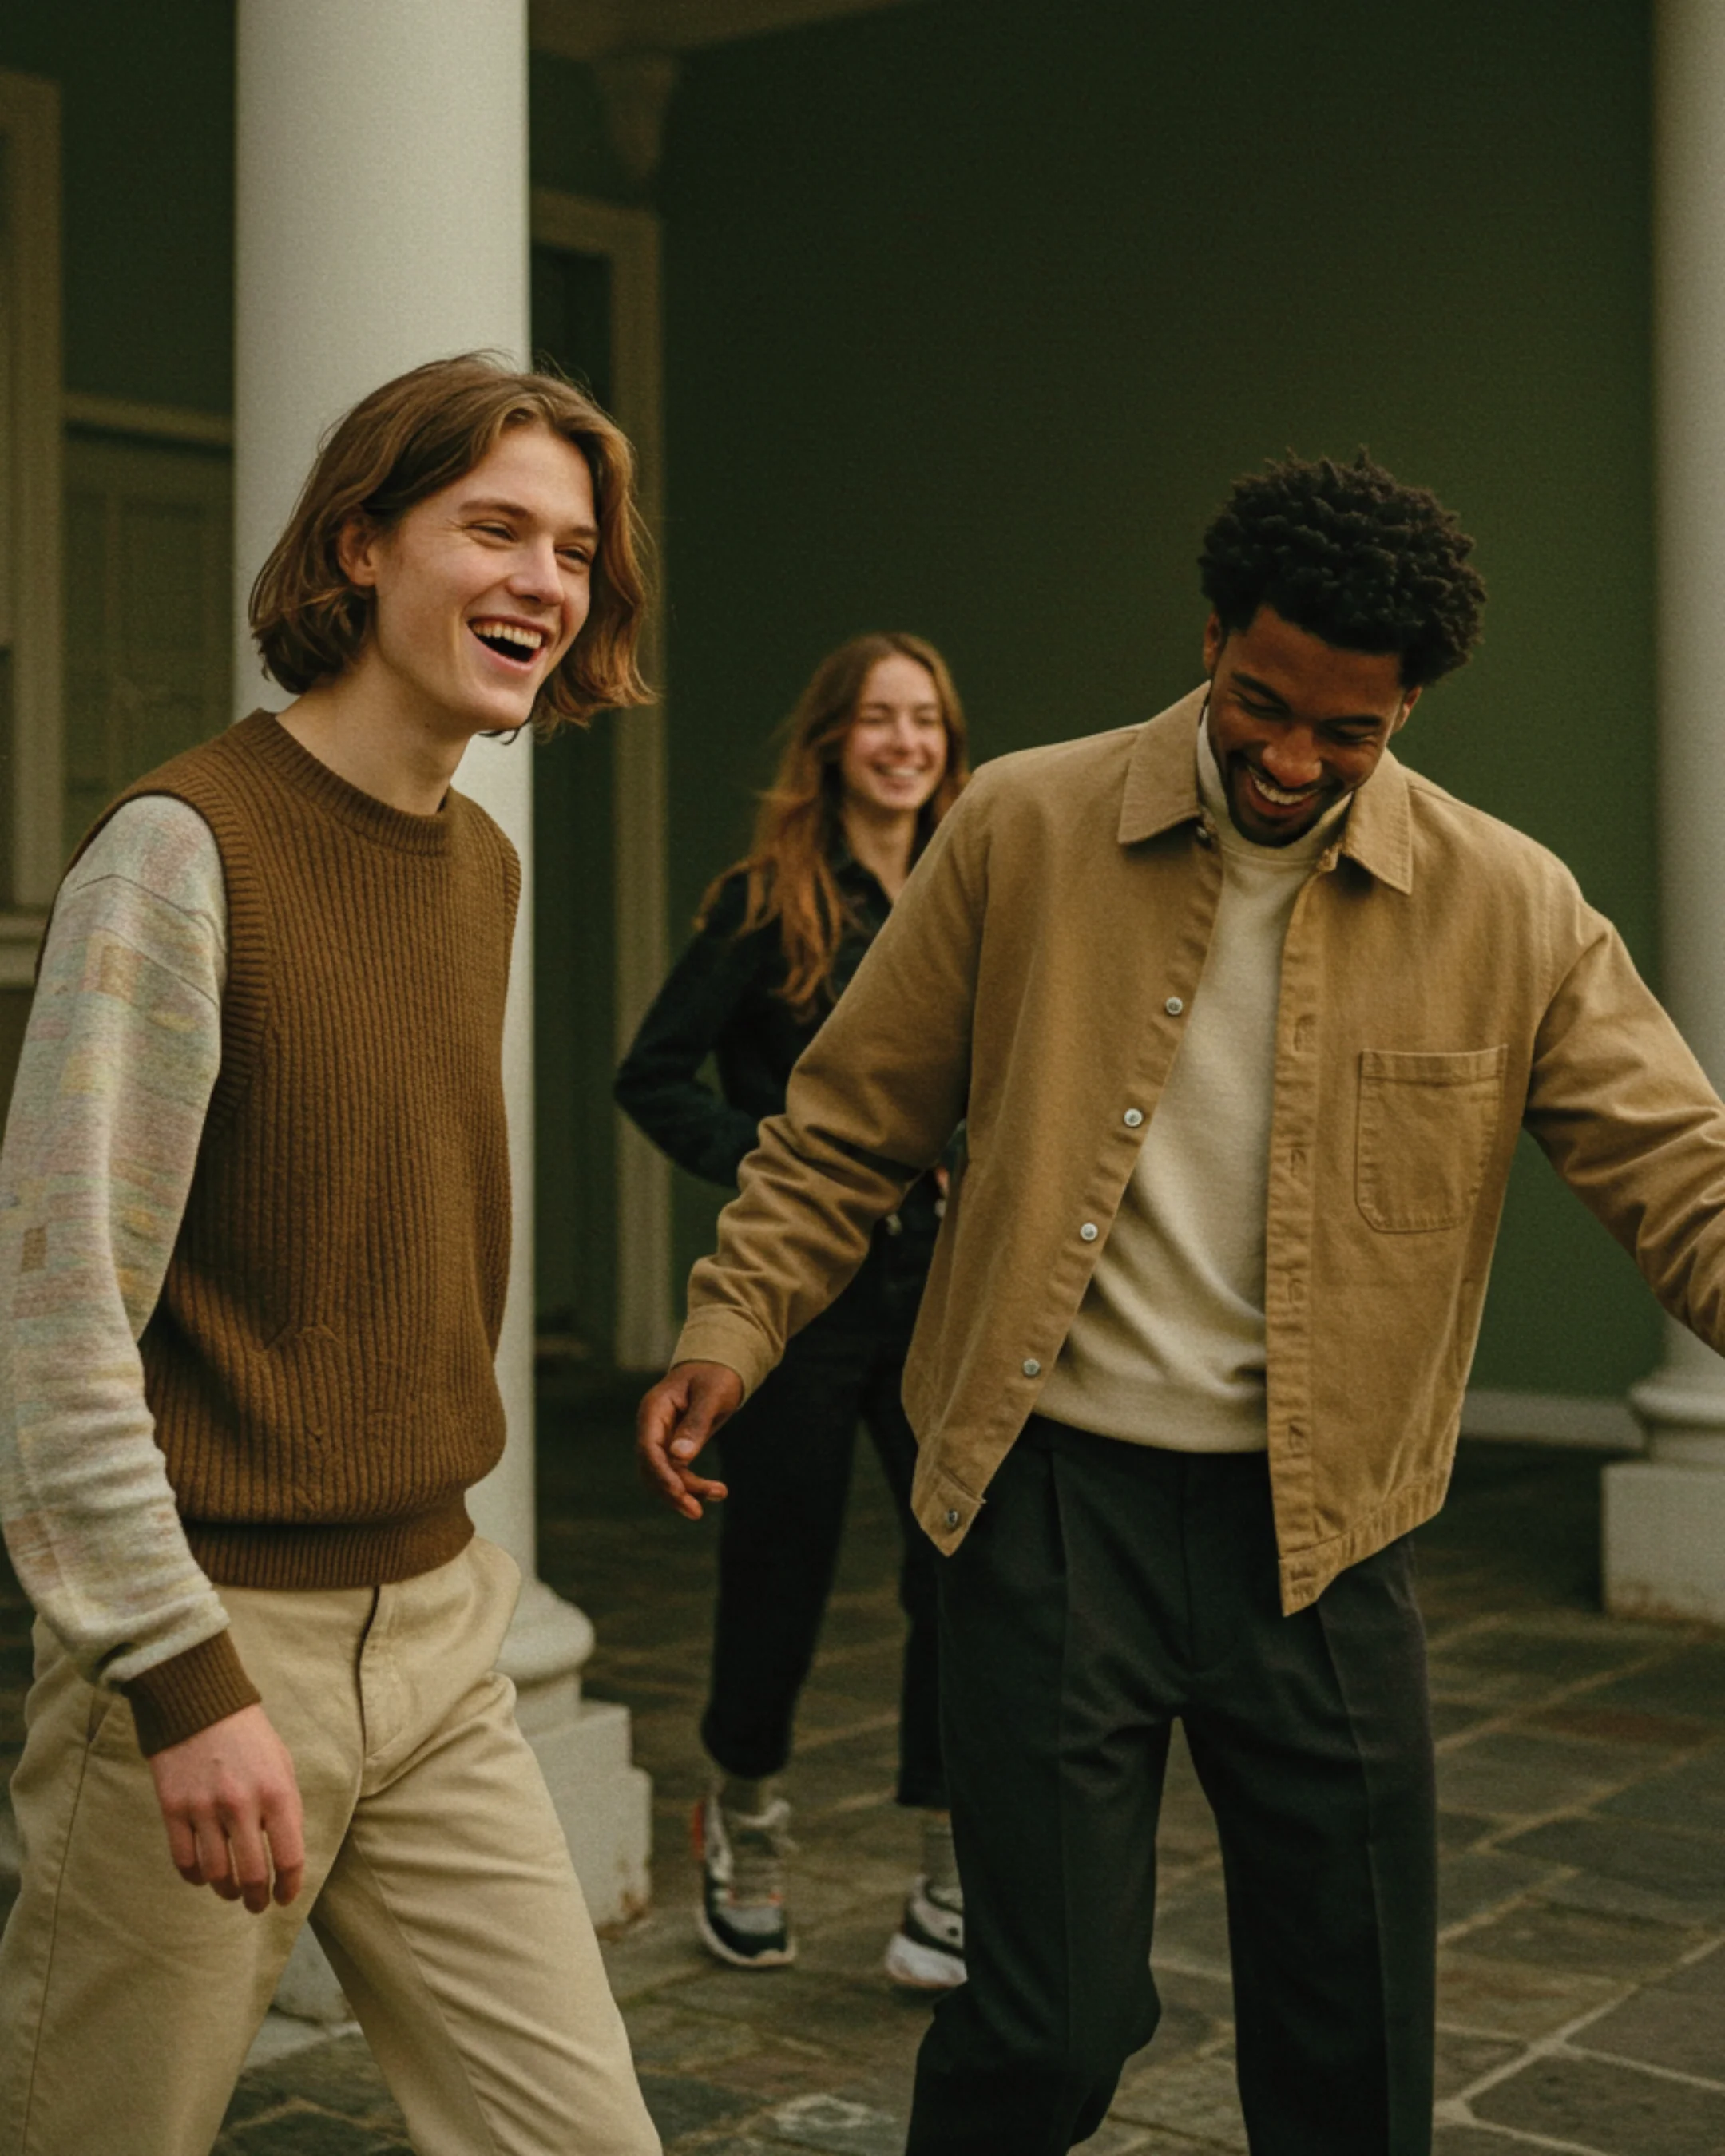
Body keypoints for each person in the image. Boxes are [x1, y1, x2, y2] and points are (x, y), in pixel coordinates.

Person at [635, 452, 1725, 2156]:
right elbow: (846, 1124)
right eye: (1259, 705)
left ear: (1409, 711)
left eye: (1346, 734)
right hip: (1050, 1509)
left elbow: (1685, 1178)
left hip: (1331, 1537)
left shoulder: (1511, 905)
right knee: (1047, 2034)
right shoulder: (1022, 828)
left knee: (1354, 2048)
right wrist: (732, 1326)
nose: (1291, 760)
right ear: (1212, 637)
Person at [0, 354, 662, 2156]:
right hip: (217, 1651)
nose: (545, 579)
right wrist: (178, 1675)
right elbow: (58, 1325)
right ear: (361, 548)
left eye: (576, 550)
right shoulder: (181, 851)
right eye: (495, 529)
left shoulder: (479, 867)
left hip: (442, 1636)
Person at [615, 633, 970, 1985]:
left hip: (945, 1294)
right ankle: (745, 1819)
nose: (905, 742)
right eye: (878, 719)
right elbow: (653, 1075)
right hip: (808, 1303)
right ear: (831, 741)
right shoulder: (764, 900)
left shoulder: (974, 882)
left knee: (957, 1570)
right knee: (782, 1573)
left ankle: (947, 1858)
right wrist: (782, 1153)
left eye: (926, 719)